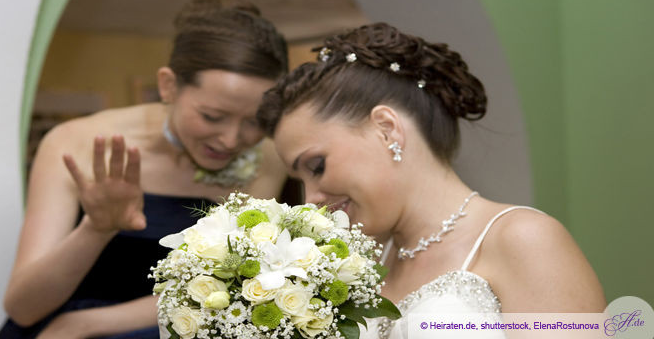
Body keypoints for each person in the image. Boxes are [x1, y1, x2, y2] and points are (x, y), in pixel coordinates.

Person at [256, 22, 606, 338]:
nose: (310, 199)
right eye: (299, 179)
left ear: (387, 130)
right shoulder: (362, 266)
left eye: (316, 166)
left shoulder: (524, 240)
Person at [0, 0, 289, 338]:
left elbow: (231, 285)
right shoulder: (74, 142)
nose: (231, 140)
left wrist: (87, 324)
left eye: (255, 121)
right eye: (212, 116)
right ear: (168, 86)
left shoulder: (267, 157)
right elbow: (22, 308)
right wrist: (97, 228)